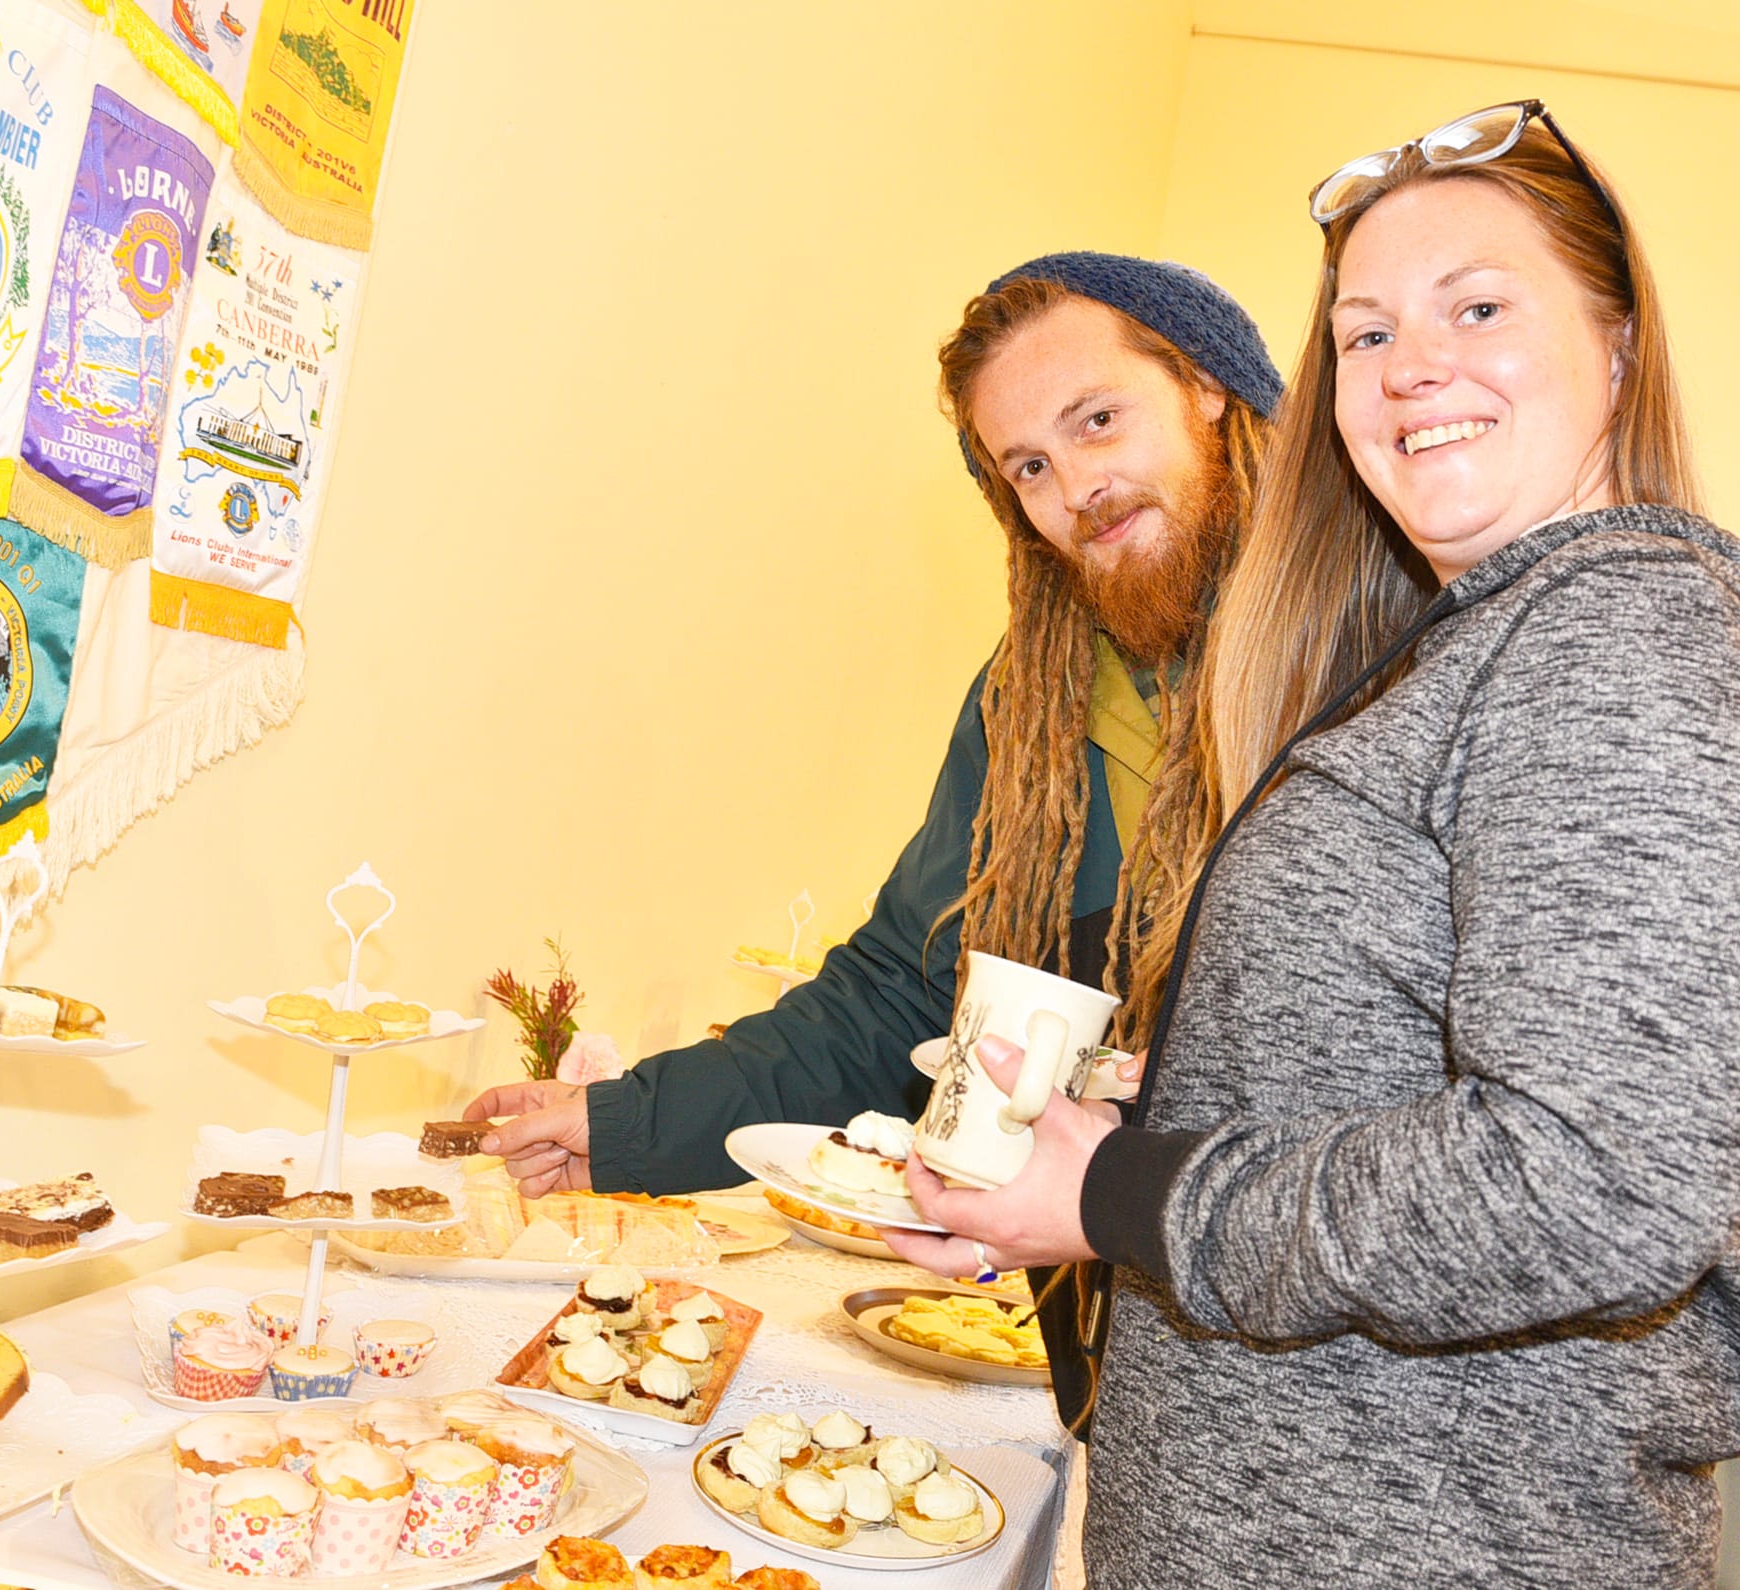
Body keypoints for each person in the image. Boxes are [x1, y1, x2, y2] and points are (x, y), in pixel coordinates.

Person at [890, 101, 1740, 1584]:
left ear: (1615, 344)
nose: (1412, 367)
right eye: (1365, 333)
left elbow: (1595, 1182)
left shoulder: (1616, 632)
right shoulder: (1465, 650)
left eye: (1477, 307)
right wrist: (1186, 1099)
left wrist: (1117, 1191)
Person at [465, 252, 1282, 1430]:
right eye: (1027, 467)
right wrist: (625, 1123)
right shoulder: (1036, 704)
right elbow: (898, 991)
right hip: (1140, 1387)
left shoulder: (1381, 654)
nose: (1076, 488)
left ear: (1208, 387)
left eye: (1097, 420)